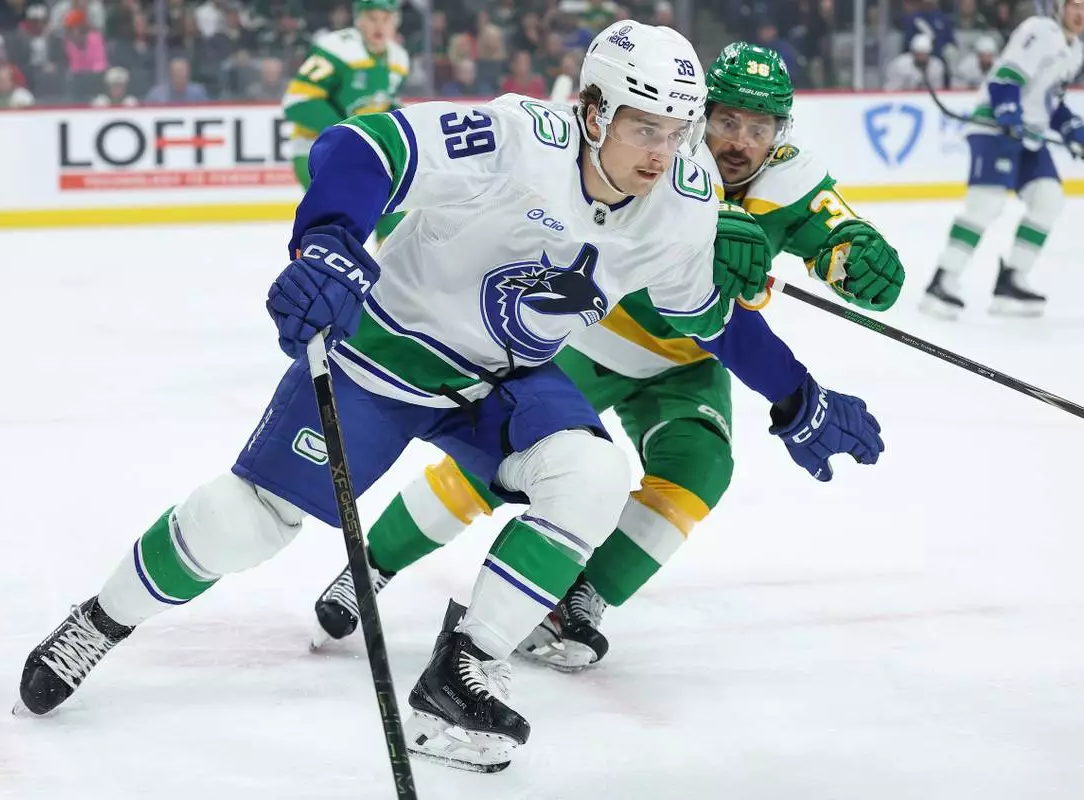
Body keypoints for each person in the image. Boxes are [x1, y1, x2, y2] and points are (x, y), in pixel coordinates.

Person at [15, 22, 884, 772]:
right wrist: (327, 242)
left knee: (588, 475)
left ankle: (459, 671)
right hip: (390, 352)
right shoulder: (519, 137)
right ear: (593, 111)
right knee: (248, 523)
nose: (663, 153)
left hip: (504, 380)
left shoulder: (681, 201)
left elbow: (708, 319)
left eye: (678, 131)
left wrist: (796, 395)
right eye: (644, 127)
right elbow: (363, 148)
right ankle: (100, 620)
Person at [310, 42, 904, 675]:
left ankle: (576, 600)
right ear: (701, 115)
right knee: (490, 468)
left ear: (780, 133)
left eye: (760, 128)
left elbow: (832, 229)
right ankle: (370, 565)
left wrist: (853, 253)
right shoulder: (660, 159)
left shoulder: (790, 175)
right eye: (728, 120)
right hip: (592, 341)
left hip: (686, 359)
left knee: (700, 469)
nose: (740, 141)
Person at [923, 0, 1084, 318]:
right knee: (986, 204)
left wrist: (1074, 131)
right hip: (995, 127)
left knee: (1048, 199)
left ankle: (1011, 279)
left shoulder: (1076, 49)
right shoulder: (1040, 30)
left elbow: (1051, 103)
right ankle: (943, 280)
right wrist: (1009, 115)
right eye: (1075, 5)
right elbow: (1006, 78)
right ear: (1059, 7)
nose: (1081, 13)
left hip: (1029, 136)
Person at [282, 0, 408, 242]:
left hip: (363, 152)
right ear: (359, 20)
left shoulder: (398, 59)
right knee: (344, 220)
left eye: (386, 19)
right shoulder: (337, 49)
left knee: (393, 216)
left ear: (396, 23)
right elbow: (297, 102)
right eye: (372, 18)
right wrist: (351, 133)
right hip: (316, 151)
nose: (379, 26)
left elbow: (385, 104)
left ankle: (389, 266)